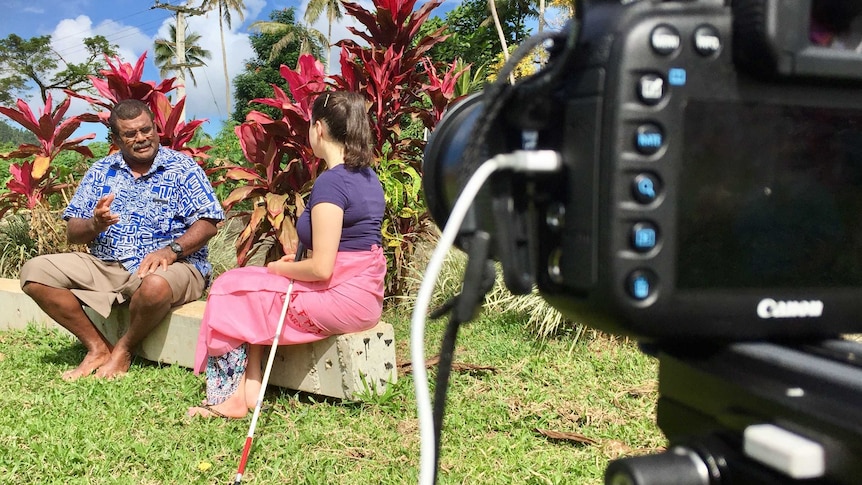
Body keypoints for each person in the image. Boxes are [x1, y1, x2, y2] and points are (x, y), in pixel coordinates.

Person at [187, 90, 386, 419]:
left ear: (318, 128)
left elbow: (322, 268)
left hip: (339, 298)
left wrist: (281, 271)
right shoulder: (367, 177)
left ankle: (230, 397)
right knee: (246, 282)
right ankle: (249, 386)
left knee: (228, 288)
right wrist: (289, 267)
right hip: (365, 296)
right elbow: (344, 251)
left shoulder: (332, 183)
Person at [19, 99, 225, 380]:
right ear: (116, 138)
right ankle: (97, 348)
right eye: (130, 134)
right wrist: (95, 223)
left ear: (155, 128)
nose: (141, 138)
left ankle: (125, 349)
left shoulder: (182, 168)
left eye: (146, 130)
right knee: (35, 273)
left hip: (174, 265)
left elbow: (209, 221)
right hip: (107, 263)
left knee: (154, 286)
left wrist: (171, 250)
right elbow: (72, 232)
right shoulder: (101, 171)